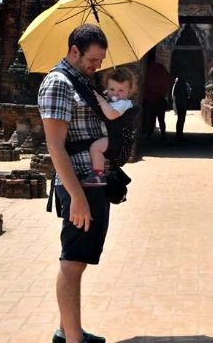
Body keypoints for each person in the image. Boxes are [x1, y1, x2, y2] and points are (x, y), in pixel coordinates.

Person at [38, 23, 109, 343]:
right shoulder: (58, 83)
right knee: (73, 260)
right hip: (78, 183)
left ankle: (68, 329)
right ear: (74, 52)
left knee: (80, 258)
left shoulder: (80, 81)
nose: (97, 67)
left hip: (92, 181)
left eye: (100, 61)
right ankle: (73, 340)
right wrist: (76, 197)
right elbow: (55, 147)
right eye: (92, 60)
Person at [81, 68, 134, 187]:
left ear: (128, 91)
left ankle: (98, 176)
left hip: (116, 139)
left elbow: (111, 115)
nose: (115, 93)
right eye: (112, 89)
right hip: (112, 137)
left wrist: (100, 100)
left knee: (95, 147)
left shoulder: (123, 104)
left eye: (121, 90)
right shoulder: (112, 100)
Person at [142, 53, 172, 140]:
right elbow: (167, 83)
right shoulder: (160, 70)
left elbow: (145, 86)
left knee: (151, 119)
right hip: (159, 100)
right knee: (161, 120)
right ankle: (163, 135)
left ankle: (149, 135)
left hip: (151, 101)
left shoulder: (148, 72)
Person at [172, 75, 191, 141]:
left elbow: (174, 94)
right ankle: (179, 134)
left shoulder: (178, 85)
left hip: (180, 103)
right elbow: (185, 95)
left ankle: (179, 133)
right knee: (181, 119)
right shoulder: (181, 85)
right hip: (181, 104)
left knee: (180, 119)